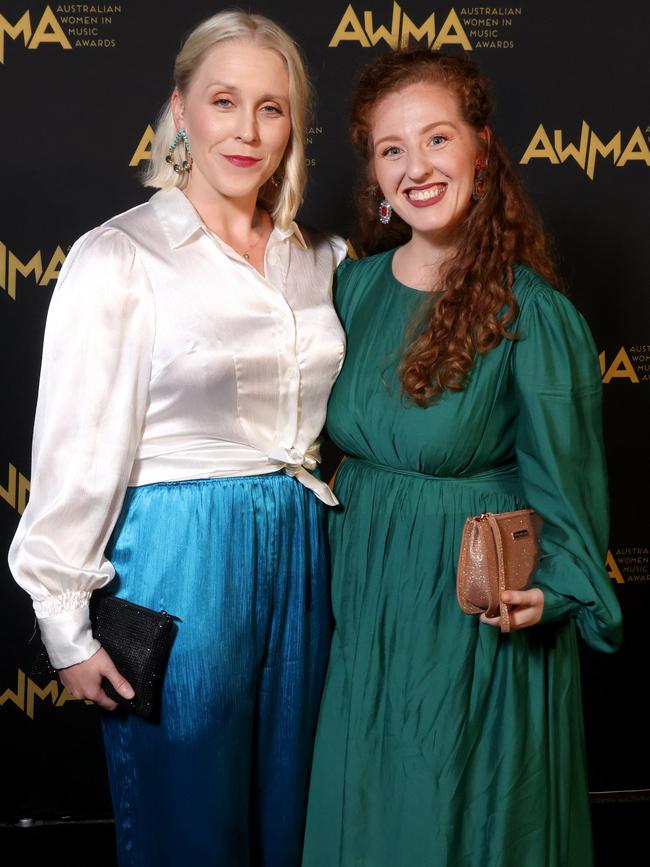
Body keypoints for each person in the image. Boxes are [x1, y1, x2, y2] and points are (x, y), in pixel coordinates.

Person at [9, 11, 346, 867]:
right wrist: (64, 623)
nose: (246, 129)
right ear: (181, 111)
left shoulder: (321, 258)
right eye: (224, 100)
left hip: (304, 547)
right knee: (188, 824)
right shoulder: (119, 257)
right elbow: (77, 447)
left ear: (292, 126)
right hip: (181, 560)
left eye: (271, 108)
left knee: (296, 816)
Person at [302, 49, 622, 867]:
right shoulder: (351, 290)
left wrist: (551, 591)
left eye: (437, 139)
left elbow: (568, 487)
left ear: (481, 149)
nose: (417, 167)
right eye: (391, 148)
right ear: (374, 172)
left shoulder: (533, 314)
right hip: (365, 596)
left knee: (459, 818)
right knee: (373, 808)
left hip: (470, 611)